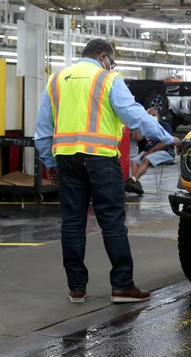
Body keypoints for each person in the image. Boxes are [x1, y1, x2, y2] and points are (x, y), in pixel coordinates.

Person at [34, 38, 180, 304]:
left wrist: (50, 163)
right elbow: (135, 116)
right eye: (112, 62)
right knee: (112, 222)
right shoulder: (107, 79)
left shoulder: (56, 80)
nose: (112, 66)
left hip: (66, 159)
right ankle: (122, 286)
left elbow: (43, 131)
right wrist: (169, 139)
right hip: (101, 160)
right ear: (103, 56)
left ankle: (77, 289)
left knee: (72, 223)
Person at [125, 108, 175, 195]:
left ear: (158, 116)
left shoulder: (164, 126)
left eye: (154, 115)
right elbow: (137, 138)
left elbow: (165, 143)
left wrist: (149, 152)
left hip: (164, 152)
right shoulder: (145, 128)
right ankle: (135, 183)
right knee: (134, 161)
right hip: (147, 152)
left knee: (146, 159)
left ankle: (133, 180)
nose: (152, 117)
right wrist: (139, 125)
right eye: (150, 116)